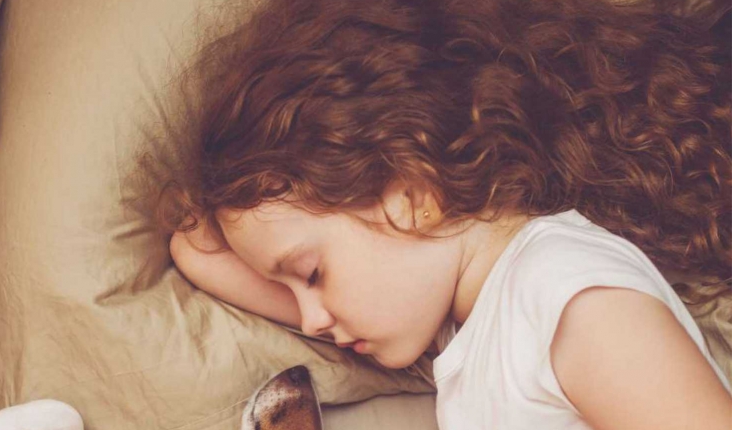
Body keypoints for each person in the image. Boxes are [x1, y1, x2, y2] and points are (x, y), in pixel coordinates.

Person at [154, 0, 732, 428]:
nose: (309, 322)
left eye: (311, 275)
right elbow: (196, 248)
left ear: (413, 196)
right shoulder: (470, 325)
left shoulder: (568, 300)